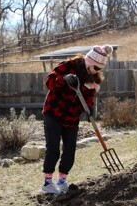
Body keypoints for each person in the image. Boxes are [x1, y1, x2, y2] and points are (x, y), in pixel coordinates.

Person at [40, 45, 113, 194]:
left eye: (100, 69)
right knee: (53, 149)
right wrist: (63, 79)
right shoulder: (69, 65)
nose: (98, 71)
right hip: (54, 112)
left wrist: (89, 108)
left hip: (72, 117)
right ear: (89, 61)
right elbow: (50, 82)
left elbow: (89, 98)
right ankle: (47, 183)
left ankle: (61, 181)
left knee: (70, 150)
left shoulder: (95, 79)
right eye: (96, 68)